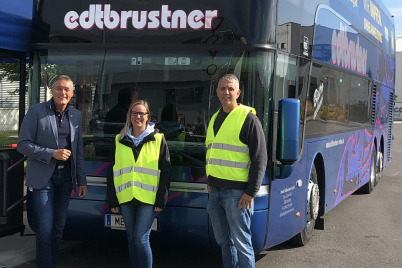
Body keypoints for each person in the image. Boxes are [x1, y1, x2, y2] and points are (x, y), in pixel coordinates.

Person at [17, 75, 87, 268]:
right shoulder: (36, 111)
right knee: (45, 229)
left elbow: (78, 151)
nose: (62, 93)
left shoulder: (76, 115)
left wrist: (82, 181)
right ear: (51, 90)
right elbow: (22, 145)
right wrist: (51, 153)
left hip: (66, 178)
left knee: (58, 228)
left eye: (66, 89)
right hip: (42, 178)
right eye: (58, 88)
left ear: (72, 93)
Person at [206, 74, 267, 268]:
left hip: (238, 194)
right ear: (217, 92)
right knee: (224, 241)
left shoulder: (248, 118)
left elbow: (260, 158)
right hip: (215, 191)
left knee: (242, 243)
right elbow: (211, 153)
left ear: (238, 93)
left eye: (231, 89)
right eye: (223, 88)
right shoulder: (215, 118)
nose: (226, 92)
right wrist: (209, 180)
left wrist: (251, 192)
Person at [107, 100, 171, 268]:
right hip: (126, 196)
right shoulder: (119, 139)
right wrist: (113, 200)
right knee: (130, 238)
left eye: (142, 113)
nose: (138, 116)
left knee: (141, 240)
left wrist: (161, 200)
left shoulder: (158, 139)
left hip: (148, 198)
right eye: (134, 113)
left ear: (148, 116)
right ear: (130, 116)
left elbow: (166, 171)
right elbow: (112, 172)